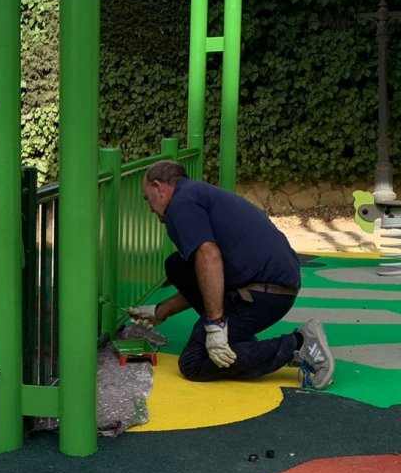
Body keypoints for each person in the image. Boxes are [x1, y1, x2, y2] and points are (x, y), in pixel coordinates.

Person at [128, 160, 335, 389]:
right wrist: (160, 311)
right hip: (271, 286)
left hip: (265, 294)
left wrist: (215, 325)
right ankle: (239, 337)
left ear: (159, 187)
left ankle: (299, 344)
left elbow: (209, 256)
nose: (149, 208)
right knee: (177, 264)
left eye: (148, 198)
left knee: (194, 362)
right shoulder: (196, 194)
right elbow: (204, 275)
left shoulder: (180, 204)